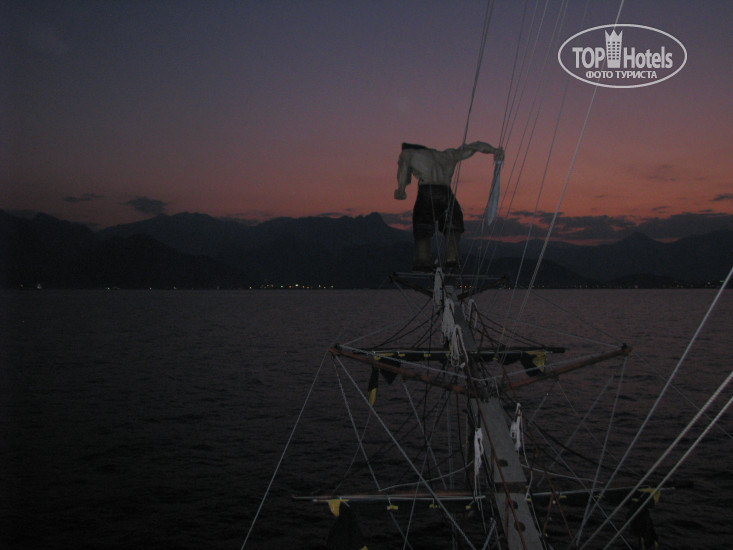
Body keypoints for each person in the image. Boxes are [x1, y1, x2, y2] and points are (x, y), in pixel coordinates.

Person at [395, 141, 503, 271]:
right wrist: (494, 150)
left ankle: (422, 260)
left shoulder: (408, 153)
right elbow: (474, 147)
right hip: (445, 192)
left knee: (422, 227)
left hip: (426, 191)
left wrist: (401, 189)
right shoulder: (448, 155)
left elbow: (403, 170)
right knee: (453, 225)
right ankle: (452, 259)